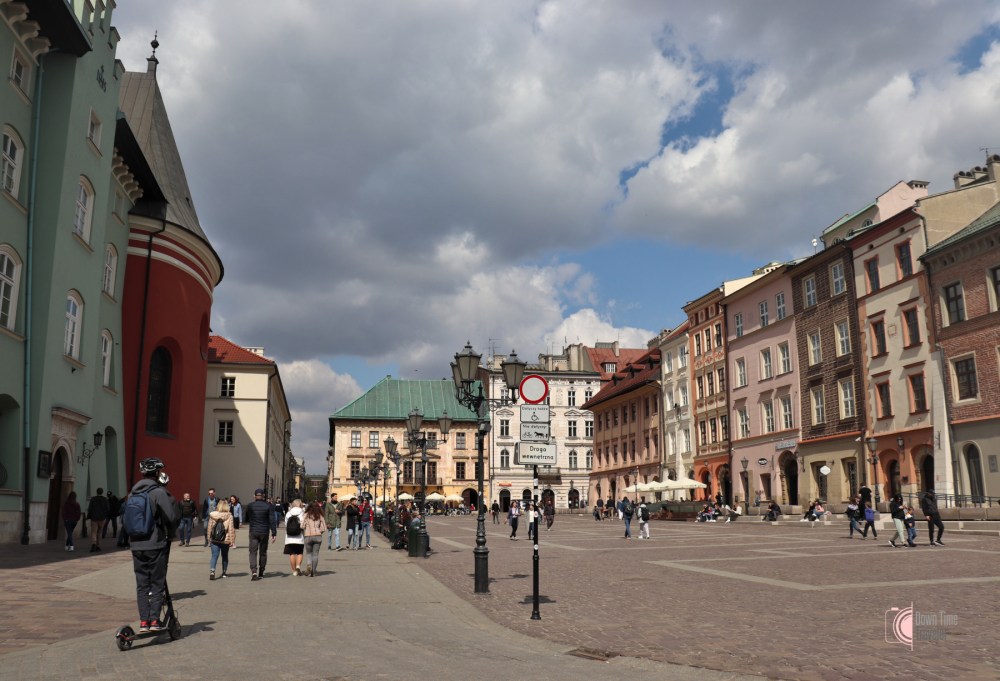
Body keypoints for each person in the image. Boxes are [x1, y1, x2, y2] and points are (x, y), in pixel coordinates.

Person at [128, 458, 178, 633]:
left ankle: (143, 622)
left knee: (142, 585)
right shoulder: (158, 492)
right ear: (156, 473)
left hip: (136, 545)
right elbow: (171, 517)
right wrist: (170, 533)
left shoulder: (132, 493)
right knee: (157, 582)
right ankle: (155, 620)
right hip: (155, 543)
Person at [245, 488, 276, 580]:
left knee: (252, 552)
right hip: (264, 531)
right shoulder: (269, 506)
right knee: (263, 552)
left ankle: (254, 571)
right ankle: (261, 572)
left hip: (253, 531)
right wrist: (274, 533)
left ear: (254, 496)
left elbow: (247, 518)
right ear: (263, 496)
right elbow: (272, 520)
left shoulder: (250, 506)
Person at [207, 498, 235, 580]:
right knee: (225, 556)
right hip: (225, 539)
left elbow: (209, 527)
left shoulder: (213, 515)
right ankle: (224, 572)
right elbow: (231, 529)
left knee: (214, 556)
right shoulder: (229, 516)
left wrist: (209, 538)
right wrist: (232, 541)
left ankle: (212, 571)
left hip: (214, 539)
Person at [301, 501, 325, 576]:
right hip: (317, 536)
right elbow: (324, 528)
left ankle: (309, 567)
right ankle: (313, 571)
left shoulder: (306, 515)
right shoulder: (320, 515)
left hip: (308, 536)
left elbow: (302, 526)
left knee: (309, 554)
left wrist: (306, 527)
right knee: (315, 555)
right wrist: (319, 531)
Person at [284, 499, 306, 575]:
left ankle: (294, 571)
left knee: (292, 554)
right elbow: (303, 525)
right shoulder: (302, 513)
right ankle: (298, 566)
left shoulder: (288, 513)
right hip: (299, 536)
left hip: (289, 537)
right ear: (300, 505)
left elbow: (286, 524)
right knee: (299, 553)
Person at [86, 487, 110, 552]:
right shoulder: (105, 500)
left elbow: (90, 508)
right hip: (102, 518)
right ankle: (98, 545)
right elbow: (108, 509)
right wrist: (105, 516)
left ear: (97, 492)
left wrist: (89, 516)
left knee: (94, 532)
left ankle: (93, 544)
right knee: (99, 532)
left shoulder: (93, 499)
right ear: (102, 492)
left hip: (94, 518)